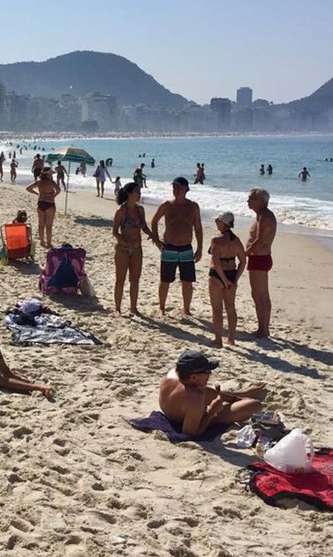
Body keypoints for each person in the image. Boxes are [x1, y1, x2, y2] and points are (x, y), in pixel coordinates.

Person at [159, 349, 265, 436]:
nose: (209, 374)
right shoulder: (196, 396)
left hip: (174, 409)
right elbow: (190, 433)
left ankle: (241, 395)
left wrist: (242, 394)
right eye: (207, 372)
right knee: (254, 404)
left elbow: (204, 391)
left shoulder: (173, 374)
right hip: (184, 419)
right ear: (193, 377)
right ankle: (240, 397)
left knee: (207, 391)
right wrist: (211, 412)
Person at [150, 176, 202, 316]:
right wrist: (157, 240)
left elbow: (198, 228)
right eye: (174, 187)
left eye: (179, 187)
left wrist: (200, 248)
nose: (176, 190)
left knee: (187, 281)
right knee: (165, 280)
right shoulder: (167, 205)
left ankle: (186, 309)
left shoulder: (193, 206)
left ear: (186, 189)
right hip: (169, 247)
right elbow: (154, 222)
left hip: (186, 248)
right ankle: (162, 307)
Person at [113, 182, 154, 316]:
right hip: (123, 249)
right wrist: (124, 241)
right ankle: (118, 308)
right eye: (137, 191)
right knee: (120, 279)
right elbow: (115, 232)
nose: (139, 194)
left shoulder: (140, 210)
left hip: (137, 249)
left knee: (135, 280)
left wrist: (155, 238)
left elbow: (144, 227)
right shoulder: (121, 211)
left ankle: (133, 307)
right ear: (129, 194)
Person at [207, 212, 247, 346]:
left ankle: (218, 339)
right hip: (231, 274)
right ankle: (231, 338)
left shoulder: (216, 240)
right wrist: (235, 279)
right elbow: (243, 261)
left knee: (217, 309)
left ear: (223, 223)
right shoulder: (236, 241)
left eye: (217, 221)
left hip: (217, 276)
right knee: (231, 308)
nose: (216, 223)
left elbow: (216, 263)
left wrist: (224, 280)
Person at [246, 188, 277, 338]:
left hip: (260, 258)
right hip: (257, 257)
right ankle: (262, 327)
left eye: (251, 199)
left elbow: (261, 240)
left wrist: (245, 252)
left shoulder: (265, 216)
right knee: (257, 294)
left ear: (262, 201)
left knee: (261, 295)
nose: (248, 201)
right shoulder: (260, 215)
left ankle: (264, 329)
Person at [26, 166, 59, 249]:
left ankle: (42, 242)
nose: (52, 175)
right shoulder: (52, 182)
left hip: (40, 203)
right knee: (49, 225)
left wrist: (37, 193)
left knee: (41, 224)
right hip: (50, 203)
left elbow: (28, 188)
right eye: (51, 174)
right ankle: (49, 243)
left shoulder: (38, 182)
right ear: (48, 174)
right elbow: (58, 190)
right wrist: (53, 196)